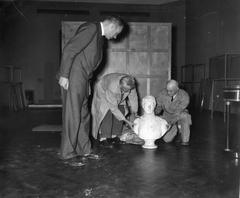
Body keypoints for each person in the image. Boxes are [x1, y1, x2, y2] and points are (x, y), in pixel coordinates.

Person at [58, 16, 124, 160]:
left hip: (83, 79)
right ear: (112, 26)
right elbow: (70, 49)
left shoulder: (99, 36)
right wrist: (64, 75)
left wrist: (87, 83)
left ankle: (84, 150)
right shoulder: (91, 28)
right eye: (117, 32)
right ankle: (67, 154)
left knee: (83, 115)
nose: (116, 36)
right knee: (73, 115)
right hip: (74, 76)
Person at [91, 73, 138, 146]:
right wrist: (126, 121)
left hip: (116, 92)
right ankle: (104, 137)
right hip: (103, 91)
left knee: (122, 109)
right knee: (107, 112)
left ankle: (115, 136)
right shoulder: (112, 87)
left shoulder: (131, 83)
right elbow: (113, 108)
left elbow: (134, 97)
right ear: (120, 85)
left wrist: (135, 112)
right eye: (125, 89)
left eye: (128, 90)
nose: (127, 91)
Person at [155, 80, 192, 146]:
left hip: (180, 114)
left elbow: (178, 112)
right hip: (167, 114)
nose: (168, 92)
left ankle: (184, 137)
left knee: (185, 116)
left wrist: (171, 123)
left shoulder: (184, 96)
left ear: (177, 89)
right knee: (167, 139)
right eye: (167, 90)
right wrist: (154, 113)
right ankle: (176, 128)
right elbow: (158, 106)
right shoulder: (162, 93)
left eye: (171, 91)